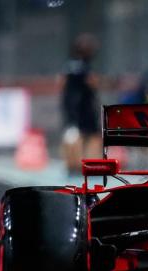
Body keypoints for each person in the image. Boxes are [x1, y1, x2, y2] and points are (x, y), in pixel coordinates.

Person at [60, 34, 100, 176]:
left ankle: (74, 166)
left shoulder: (69, 66)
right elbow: (93, 83)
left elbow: (62, 85)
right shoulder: (83, 67)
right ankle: (85, 166)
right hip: (84, 107)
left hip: (73, 108)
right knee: (89, 137)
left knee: (74, 135)